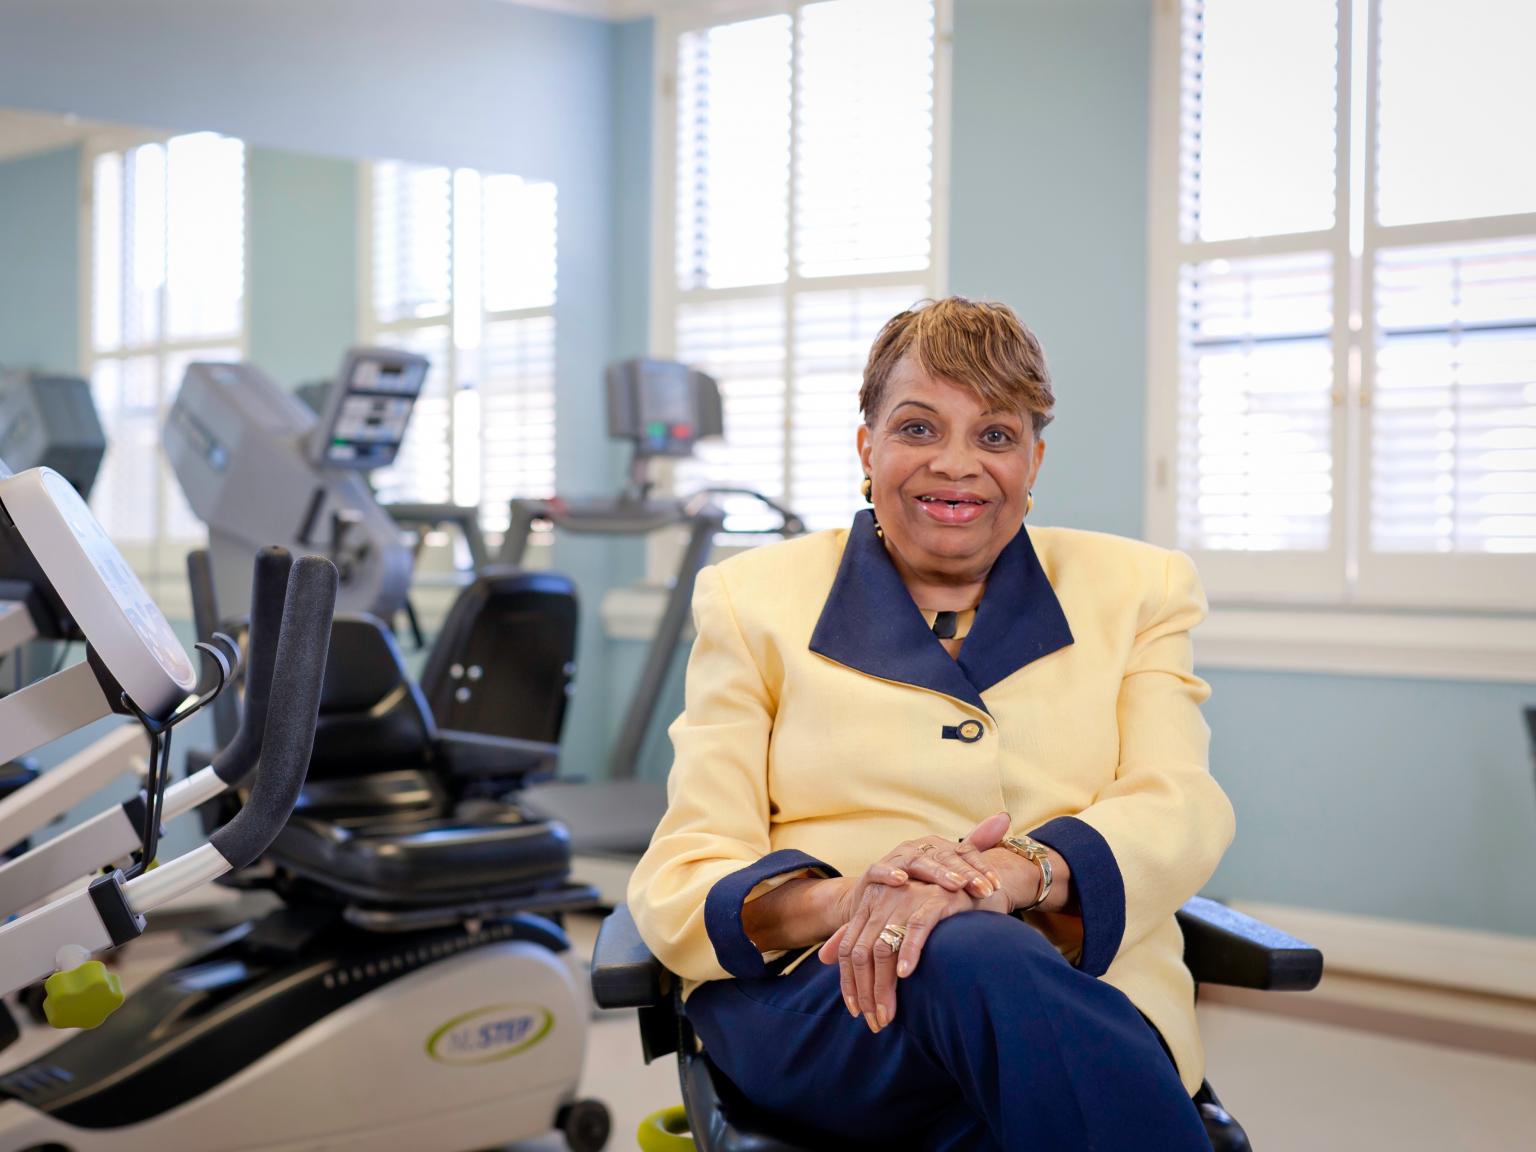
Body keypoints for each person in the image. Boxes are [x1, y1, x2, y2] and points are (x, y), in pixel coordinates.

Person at [628, 297, 1234, 1151]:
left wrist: (1008, 873)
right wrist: (860, 897)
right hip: (828, 1003)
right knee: (971, 959)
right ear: (867, 446)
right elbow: (684, 872)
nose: (957, 465)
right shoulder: (751, 600)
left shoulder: (1140, 589)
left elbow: (1180, 804)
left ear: (1034, 460)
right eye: (918, 428)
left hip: (1073, 987)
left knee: (998, 1079)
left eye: (995, 435)